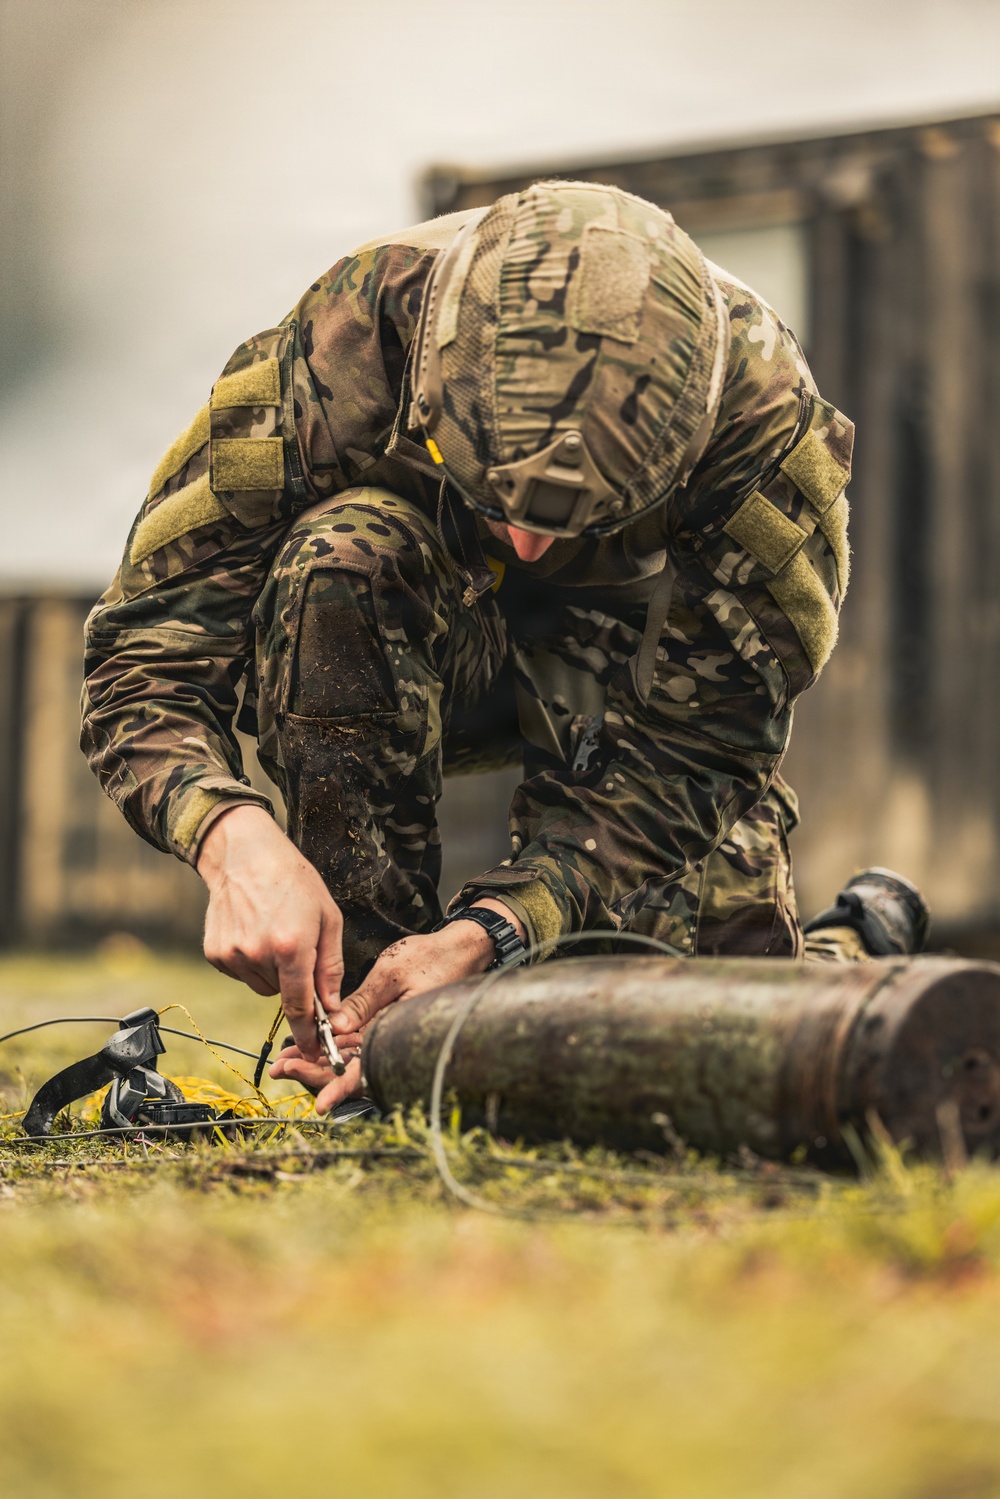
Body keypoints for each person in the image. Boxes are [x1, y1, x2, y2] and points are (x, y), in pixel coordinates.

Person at [81, 180, 926, 1114]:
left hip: (638, 702)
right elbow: (148, 646)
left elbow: (704, 746)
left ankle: (854, 941)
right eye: (489, 490)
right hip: (431, 647)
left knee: (693, 1034)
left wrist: (497, 927)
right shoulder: (353, 342)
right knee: (346, 554)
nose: (524, 548)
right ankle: (371, 1029)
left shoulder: (762, 437)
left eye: (578, 516)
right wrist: (230, 836)